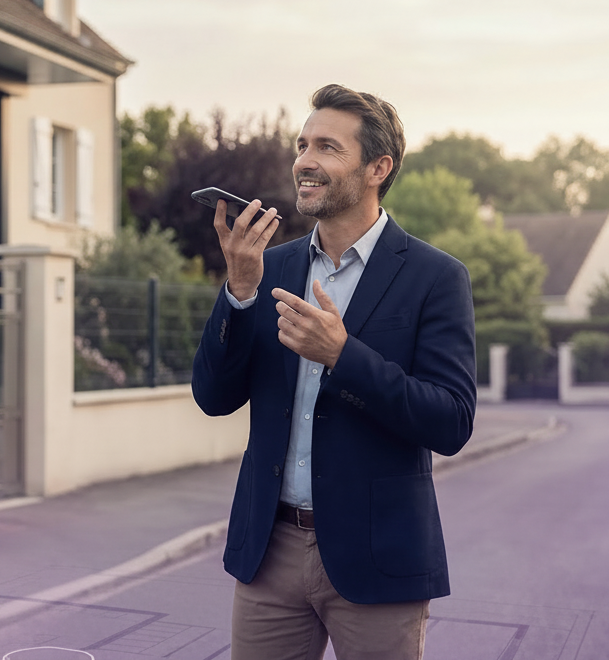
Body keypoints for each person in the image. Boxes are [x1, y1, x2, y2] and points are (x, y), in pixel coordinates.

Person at [192, 84, 476, 659]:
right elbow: (214, 397)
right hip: (269, 552)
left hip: (378, 556)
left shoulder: (435, 277)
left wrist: (345, 357)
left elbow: (450, 422)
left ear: (378, 167)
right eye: (302, 145)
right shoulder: (269, 266)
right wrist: (239, 292)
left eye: (326, 147)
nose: (304, 161)